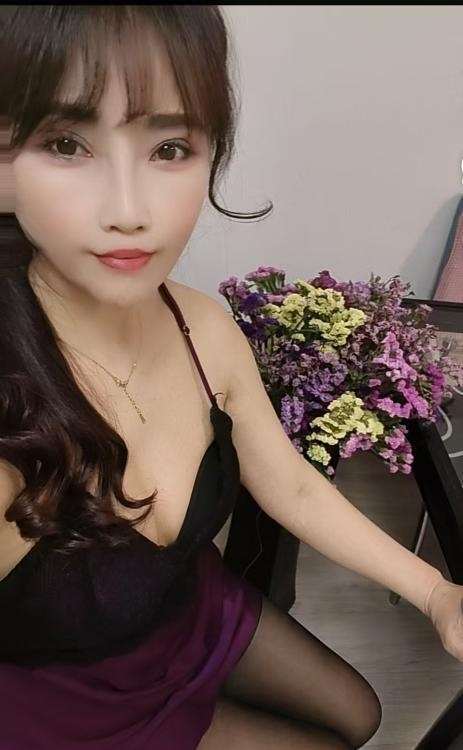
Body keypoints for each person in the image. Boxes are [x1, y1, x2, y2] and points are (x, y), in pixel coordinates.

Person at [0, 6, 458, 750]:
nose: (129, 212)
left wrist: (436, 592)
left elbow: (291, 484)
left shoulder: (200, 326)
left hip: (183, 609)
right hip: (72, 701)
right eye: (66, 144)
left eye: (170, 147)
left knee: (359, 715)